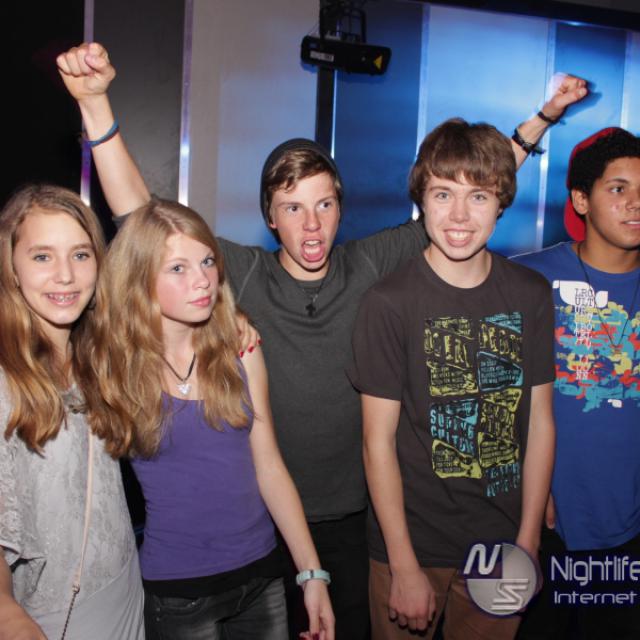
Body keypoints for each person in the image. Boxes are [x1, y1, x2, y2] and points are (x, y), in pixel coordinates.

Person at [56, 41, 586, 639]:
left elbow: (467, 188)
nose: (311, 224)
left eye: (324, 204)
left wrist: (543, 119)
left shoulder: (371, 264)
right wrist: (97, 106)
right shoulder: (242, 274)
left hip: (357, 522)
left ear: (340, 208)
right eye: (292, 208)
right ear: (270, 216)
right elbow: (142, 219)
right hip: (265, 522)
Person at [85, 197, 334, 639]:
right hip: (178, 592)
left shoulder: (240, 349)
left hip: (261, 578)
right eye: (177, 268)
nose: (202, 280)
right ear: (140, 278)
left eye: (206, 262)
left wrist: (311, 574)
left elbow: (269, 466)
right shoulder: (115, 365)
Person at [349, 118, 557, 640]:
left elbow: (540, 424)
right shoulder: (388, 302)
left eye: (478, 196)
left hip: (502, 541)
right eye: (443, 194)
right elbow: (377, 443)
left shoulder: (530, 294)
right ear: (422, 199)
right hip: (411, 542)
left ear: (501, 202)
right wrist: (403, 565)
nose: (459, 215)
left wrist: (529, 540)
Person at [0, 185, 144, 640]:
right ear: (11, 268)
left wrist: (231, 318)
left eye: (81, 255)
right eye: (42, 256)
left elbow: (155, 239)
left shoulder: (97, 355)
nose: (65, 275)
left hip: (126, 588)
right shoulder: (5, 379)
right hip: (53, 616)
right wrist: (6, 613)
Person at [513, 127, 640, 640]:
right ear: (581, 200)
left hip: (628, 532)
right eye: (618, 189)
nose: (635, 203)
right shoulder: (527, 280)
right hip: (539, 527)